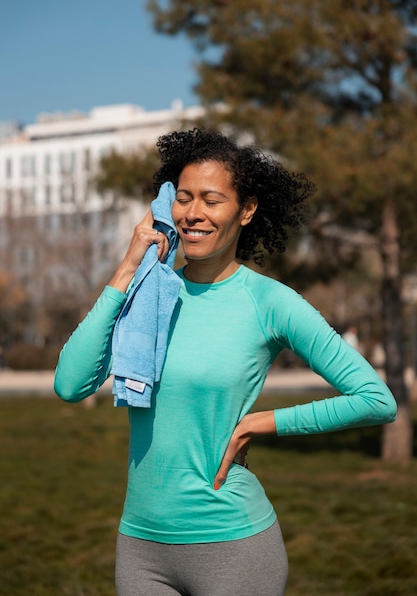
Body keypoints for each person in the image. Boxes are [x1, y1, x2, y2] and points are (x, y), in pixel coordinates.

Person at [54, 128, 397, 596]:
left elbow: (375, 399)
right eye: (184, 197)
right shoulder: (148, 294)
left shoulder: (269, 301)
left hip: (234, 547)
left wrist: (262, 423)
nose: (193, 214)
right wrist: (126, 271)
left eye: (211, 200)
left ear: (247, 209)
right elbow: (70, 384)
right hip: (140, 547)